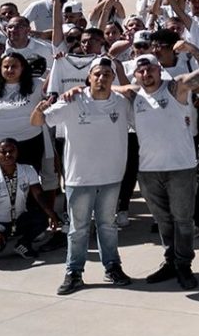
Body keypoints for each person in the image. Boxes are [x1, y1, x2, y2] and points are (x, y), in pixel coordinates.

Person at [36, 57, 133, 293]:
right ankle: (74, 273)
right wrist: (39, 109)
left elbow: (136, 95)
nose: (102, 78)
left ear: (113, 78)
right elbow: (38, 121)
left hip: (111, 177)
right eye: (97, 74)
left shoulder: (122, 103)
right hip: (79, 178)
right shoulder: (73, 100)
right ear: (88, 77)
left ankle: (112, 267)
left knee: (107, 225)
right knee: (78, 228)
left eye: (107, 75)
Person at [116, 51, 199, 290]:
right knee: (163, 221)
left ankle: (184, 265)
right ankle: (171, 262)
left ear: (159, 69)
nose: (147, 74)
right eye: (141, 71)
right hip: (148, 170)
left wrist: (191, 47)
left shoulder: (175, 88)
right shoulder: (134, 95)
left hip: (180, 168)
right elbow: (105, 87)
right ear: (135, 75)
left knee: (183, 220)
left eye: (151, 69)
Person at [0, 137, 53, 260]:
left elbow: (39, 195)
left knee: (42, 218)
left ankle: (23, 244)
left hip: (19, 219)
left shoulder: (28, 170)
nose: (8, 154)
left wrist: (51, 215)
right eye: (3, 151)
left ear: (17, 153)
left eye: (11, 151)